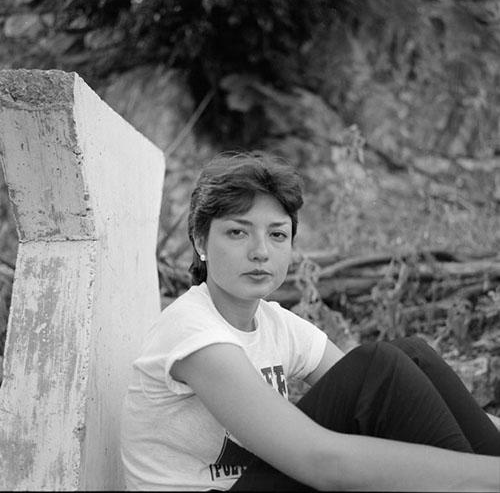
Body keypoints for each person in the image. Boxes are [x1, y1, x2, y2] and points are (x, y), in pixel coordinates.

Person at [120, 151, 500, 491]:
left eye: (277, 235)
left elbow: (379, 399)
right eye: (237, 232)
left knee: (410, 356)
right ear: (201, 242)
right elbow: (320, 461)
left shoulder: (276, 324)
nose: (260, 252)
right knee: (380, 368)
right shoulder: (193, 331)